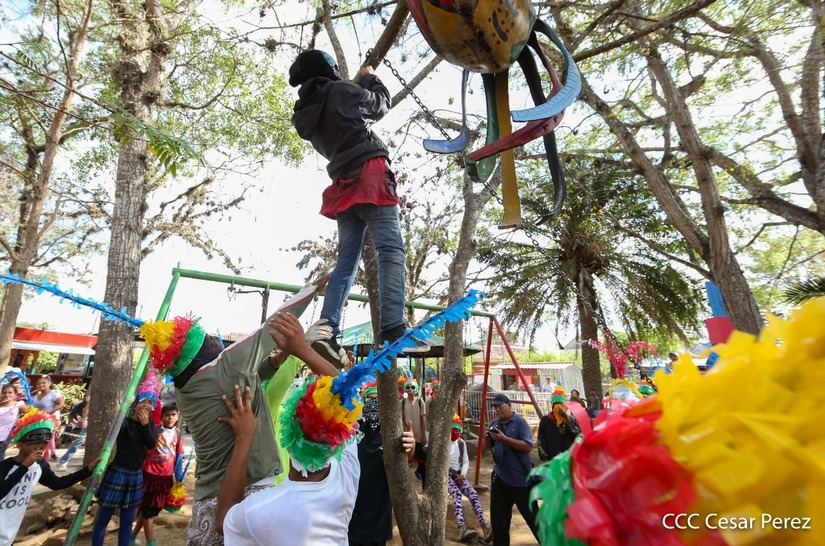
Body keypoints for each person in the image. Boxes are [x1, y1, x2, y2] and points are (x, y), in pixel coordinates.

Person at [138, 276, 334, 546]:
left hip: (208, 502)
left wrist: (277, 359)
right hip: (245, 495)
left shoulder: (186, 391)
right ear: (205, 353)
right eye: (209, 341)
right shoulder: (228, 365)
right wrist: (311, 289)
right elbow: (274, 323)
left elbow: (243, 379)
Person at [288, 49, 410, 368]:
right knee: (390, 249)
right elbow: (380, 103)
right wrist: (369, 77)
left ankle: (327, 328)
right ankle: (394, 327)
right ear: (329, 70)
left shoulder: (307, 114)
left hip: (343, 186)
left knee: (346, 262)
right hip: (369, 175)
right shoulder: (341, 91)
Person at [215, 312, 360, 544]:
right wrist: (302, 350)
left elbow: (224, 521)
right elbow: (350, 398)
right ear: (339, 440)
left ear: (288, 433)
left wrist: (243, 439)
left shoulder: (265, 508)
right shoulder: (346, 475)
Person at [0, 408, 98, 546]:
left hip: (10, 531)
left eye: (45, 440)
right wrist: (24, 467)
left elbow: (56, 483)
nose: (41, 444)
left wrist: (87, 470)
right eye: (35, 440)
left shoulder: (39, 465)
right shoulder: (4, 467)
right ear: (20, 445)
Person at [91, 372, 160, 546]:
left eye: (150, 402)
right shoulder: (125, 422)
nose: (146, 405)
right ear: (135, 404)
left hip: (135, 475)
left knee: (127, 521)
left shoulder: (150, 425)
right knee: (103, 518)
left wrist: (145, 425)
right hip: (118, 472)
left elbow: (151, 444)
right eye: (143, 401)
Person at [348, 380, 415, 546]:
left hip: (379, 514)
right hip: (354, 512)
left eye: (377, 400)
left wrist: (411, 444)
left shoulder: (392, 433)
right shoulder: (355, 429)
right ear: (364, 404)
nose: (373, 405)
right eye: (370, 400)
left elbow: (407, 454)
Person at [484, 393, 538, 546]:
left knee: (535, 520)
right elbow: (486, 448)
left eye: (500, 406)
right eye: (495, 407)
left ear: (509, 405)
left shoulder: (520, 422)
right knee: (498, 521)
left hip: (521, 481)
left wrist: (505, 439)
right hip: (500, 479)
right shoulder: (494, 423)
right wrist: (487, 438)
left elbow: (528, 447)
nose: (497, 410)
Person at [130, 403, 185, 546]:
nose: (170, 418)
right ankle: (151, 542)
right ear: (161, 417)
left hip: (165, 478)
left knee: (151, 509)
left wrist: (179, 478)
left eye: (173, 415)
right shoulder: (154, 430)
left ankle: (132, 537)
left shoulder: (179, 434)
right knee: (148, 510)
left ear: (178, 416)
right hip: (149, 476)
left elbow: (179, 457)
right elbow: (143, 449)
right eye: (167, 415)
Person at [448, 416, 492, 542]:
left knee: (473, 494)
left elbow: (466, 461)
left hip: (458, 475)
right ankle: (462, 527)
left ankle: (484, 526)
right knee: (456, 494)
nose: (455, 432)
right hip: (446, 476)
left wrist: (462, 474)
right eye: (453, 429)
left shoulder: (461, 443)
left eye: (458, 429)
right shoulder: (443, 444)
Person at [537, 387, 579, 462]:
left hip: (568, 460)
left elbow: (578, 436)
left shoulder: (571, 419)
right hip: (552, 460)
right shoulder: (546, 421)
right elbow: (541, 441)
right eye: (557, 405)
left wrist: (566, 419)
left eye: (563, 405)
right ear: (553, 407)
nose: (560, 409)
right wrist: (545, 458)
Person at [401, 380, 427, 486]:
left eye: (412, 387)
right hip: (408, 437)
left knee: (423, 460)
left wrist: (424, 435)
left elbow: (423, 419)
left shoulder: (420, 402)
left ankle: (424, 483)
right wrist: (405, 430)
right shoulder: (402, 402)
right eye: (408, 387)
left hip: (419, 436)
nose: (410, 389)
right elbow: (402, 418)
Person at [32, 375, 63, 461]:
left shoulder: (54, 393)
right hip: (38, 420)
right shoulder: (35, 397)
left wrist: (49, 413)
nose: (41, 385)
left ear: (49, 383)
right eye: (39, 384)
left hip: (51, 419)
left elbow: (61, 404)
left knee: (48, 436)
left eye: (44, 383)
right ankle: (44, 454)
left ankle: (50, 454)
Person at [57, 394, 89, 470]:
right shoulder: (79, 406)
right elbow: (70, 416)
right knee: (77, 442)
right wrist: (77, 423)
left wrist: (83, 419)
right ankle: (63, 461)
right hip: (85, 426)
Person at [0, 384, 28, 459]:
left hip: (3, 439)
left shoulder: (18, 404)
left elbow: (32, 414)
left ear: (15, 394)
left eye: (10, 392)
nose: (7, 395)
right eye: (4, 392)